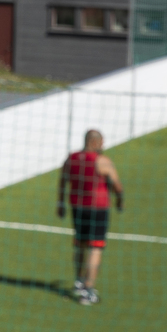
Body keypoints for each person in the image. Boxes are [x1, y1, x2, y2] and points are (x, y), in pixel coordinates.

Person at [56, 129, 124, 305]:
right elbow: (117, 185)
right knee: (95, 247)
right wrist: (120, 200)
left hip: (77, 207)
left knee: (80, 243)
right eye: (101, 142)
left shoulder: (71, 159)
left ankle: (79, 281)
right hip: (98, 208)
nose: (103, 145)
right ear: (95, 142)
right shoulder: (102, 161)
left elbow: (63, 181)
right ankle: (88, 291)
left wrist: (60, 203)